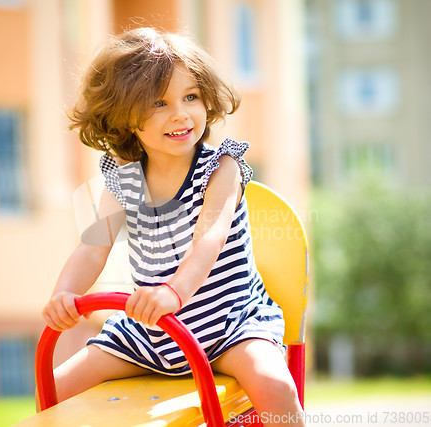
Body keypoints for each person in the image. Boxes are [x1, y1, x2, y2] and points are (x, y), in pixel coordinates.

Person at [41, 27, 305, 425]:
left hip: (230, 325)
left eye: (191, 97)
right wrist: (65, 295)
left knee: (275, 385)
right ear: (126, 118)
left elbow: (209, 238)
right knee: (52, 390)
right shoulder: (123, 180)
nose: (180, 113)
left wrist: (173, 293)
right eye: (159, 103)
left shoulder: (221, 168)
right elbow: (92, 248)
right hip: (150, 334)